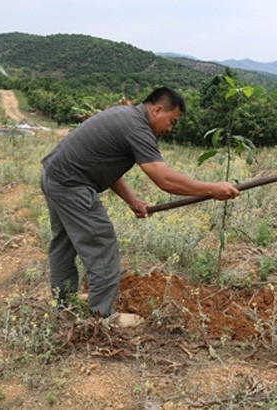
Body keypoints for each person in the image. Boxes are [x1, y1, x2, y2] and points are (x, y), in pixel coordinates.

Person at [40, 86, 239, 318]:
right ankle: (102, 317)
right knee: (101, 245)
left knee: (63, 245)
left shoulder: (125, 117)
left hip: (54, 176)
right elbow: (163, 179)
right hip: (72, 186)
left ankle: (64, 304)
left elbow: (106, 165)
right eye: (171, 121)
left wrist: (132, 201)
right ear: (157, 109)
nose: (170, 128)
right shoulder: (138, 128)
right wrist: (212, 188)